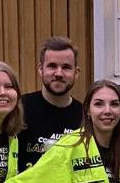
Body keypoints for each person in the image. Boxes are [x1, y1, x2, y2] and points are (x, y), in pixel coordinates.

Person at [18, 38, 83, 172]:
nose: (59, 73)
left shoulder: (85, 117)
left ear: (76, 73)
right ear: (40, 69)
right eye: (52, 66)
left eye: (66, 67)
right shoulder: (19, 109)